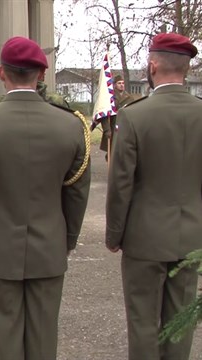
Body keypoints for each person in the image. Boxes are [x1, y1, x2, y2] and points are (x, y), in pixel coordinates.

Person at [0, 36, 91, 360]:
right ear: (41, 75)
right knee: (45, 337)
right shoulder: (71, 126)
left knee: (5, 336)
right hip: (49, 245)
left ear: (1, 73)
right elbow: (76, 191)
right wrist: (67, 239)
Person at [106, 33, 201, 360]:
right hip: (191, 236)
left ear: (153, 64)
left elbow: (121, 183)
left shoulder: (135, 115)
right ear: (186, 69)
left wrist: (114, 234)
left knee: (144, 323)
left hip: (144, 238)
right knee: (180, 324)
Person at [99, 74, 134, 160]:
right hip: (113, 127)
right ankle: (111, 169)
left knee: (124, 151)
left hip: (125, 128)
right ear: (115, 85)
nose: (122, 85)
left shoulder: (129, 97)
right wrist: (107, 129)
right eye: (119, 83)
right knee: (112, 152)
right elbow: (104, 115)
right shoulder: (110, 98)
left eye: (123, 83)